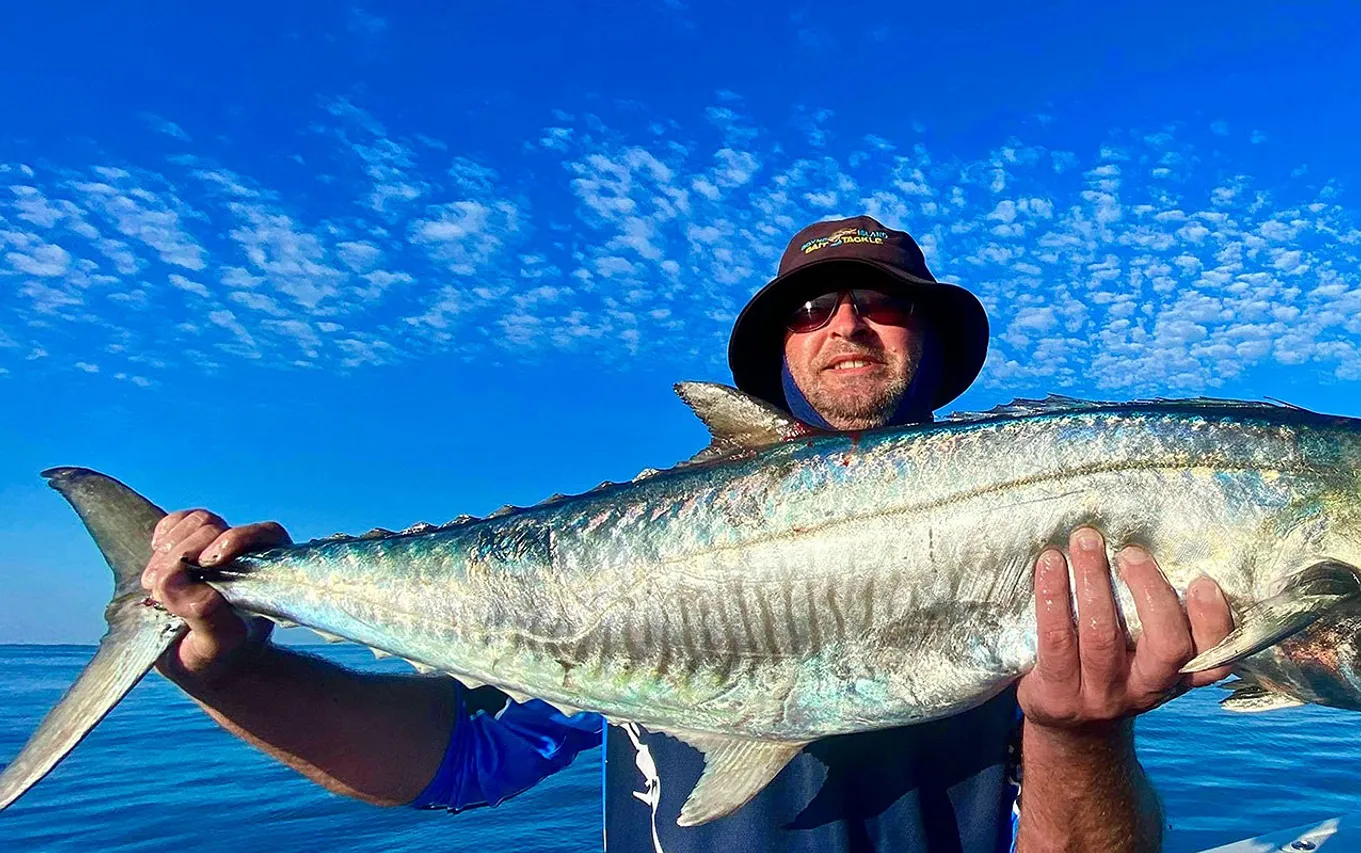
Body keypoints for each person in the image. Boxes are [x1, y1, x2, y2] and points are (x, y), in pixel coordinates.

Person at [142, 215, 1236, 852]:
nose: (843, 322)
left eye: (878, 301)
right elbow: (457, 760)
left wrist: (1080, 735)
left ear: (938, 344)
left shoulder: (1050, 543)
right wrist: (229, 672)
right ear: (773, 367)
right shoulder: (640, 556)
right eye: (809, 310)